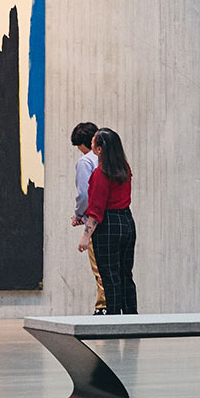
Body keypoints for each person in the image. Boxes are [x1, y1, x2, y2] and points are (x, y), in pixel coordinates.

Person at [78, 128, 136, 315]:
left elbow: (96, 209)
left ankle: (112, 317)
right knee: (125, 273)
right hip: (127, 222)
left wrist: (85, 237)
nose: (91, 143)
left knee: (109, 275)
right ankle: (130, 316)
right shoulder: (124, 168)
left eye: (94, 141)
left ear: (100, 149)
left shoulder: (101, 174)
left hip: (109, 225)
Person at [69, 122, 107, 315]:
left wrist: (78, 215)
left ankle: (103, 307)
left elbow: (84, 195)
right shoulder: (110, 159)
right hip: (116, 217)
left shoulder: (86, 162)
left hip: (95, 221)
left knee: (99, 267)